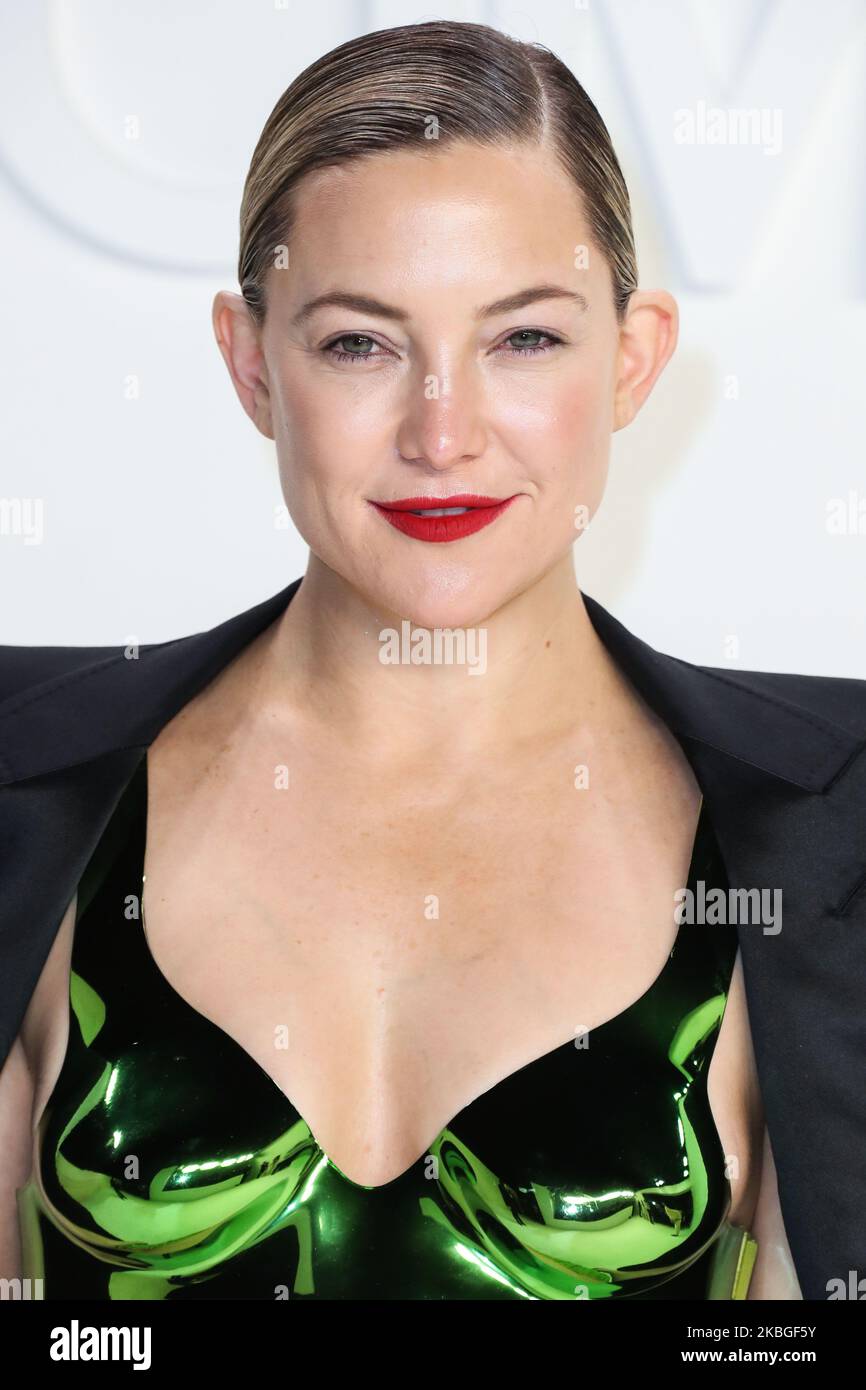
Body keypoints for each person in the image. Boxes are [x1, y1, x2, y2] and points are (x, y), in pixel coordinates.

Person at [1, 18, 863, 1302]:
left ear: (631, 360)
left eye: (524, 339)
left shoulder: (833, 823)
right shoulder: (25, 782)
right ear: (250, 364)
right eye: (360, 342)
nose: (441, 433)